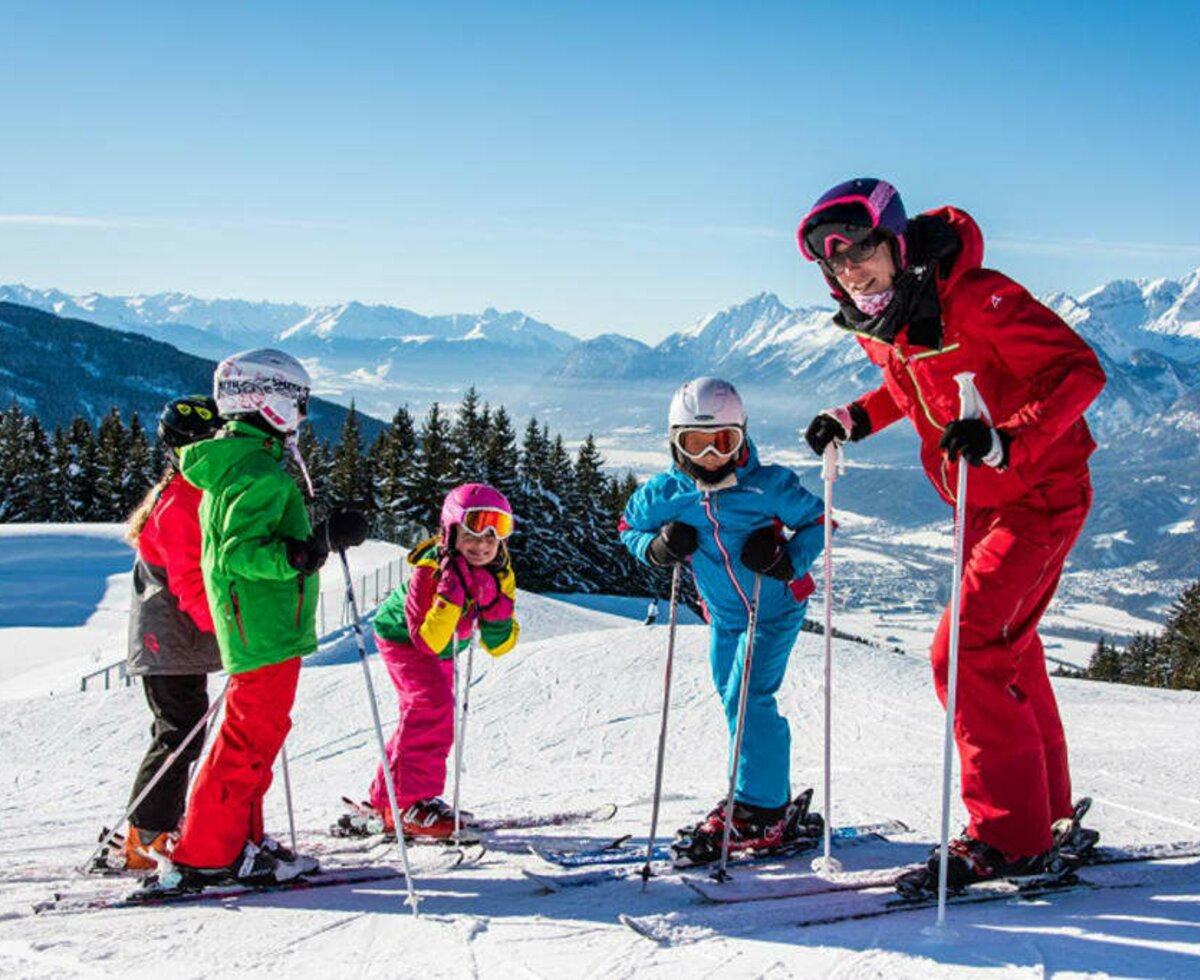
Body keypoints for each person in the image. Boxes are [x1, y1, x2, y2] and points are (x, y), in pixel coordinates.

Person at [796, 177, 1106, 892]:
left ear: (897, 241)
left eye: (860, 246)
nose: (847, 266)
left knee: (962, 652)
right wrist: (855, 419)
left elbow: (1078, 371)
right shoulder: (886, 317)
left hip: (1039, 492)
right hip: (984, 500)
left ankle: (1009, 838)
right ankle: (1047, 816)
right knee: (1006, 647)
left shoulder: (976, 297)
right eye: (830, 257)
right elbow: (910, 387)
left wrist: (1008, 439)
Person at [155, 348, 369, 890]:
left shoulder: (246, 463)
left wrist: (305, 545)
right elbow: (237, 554)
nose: (300, 413)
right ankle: (207, 851)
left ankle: (238, 841)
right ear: (265, 399)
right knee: (247, 739)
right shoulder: (254, 471)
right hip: (263, 627)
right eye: (295, 401)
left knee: (258, 735)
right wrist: (307, 549)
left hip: (265, 623)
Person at [620, 377, 825, 865]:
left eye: (724, 441)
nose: (711, 454)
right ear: (675, 442)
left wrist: (786, 560)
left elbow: (820, 521)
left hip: (774, 608)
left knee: (749, 694)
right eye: (697, 443)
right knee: (735, 700)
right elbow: (629, 526)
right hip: (726, 616)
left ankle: (761, 807)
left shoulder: (769, 485)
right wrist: (657, 548)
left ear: (742, 435)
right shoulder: (666, 493)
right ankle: (758, 793)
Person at [354, 483, 519, 840]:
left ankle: (388, 799)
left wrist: (496, 609)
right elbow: (427, 641)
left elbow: (499, 646)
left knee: (421, 713)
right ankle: (409, 803)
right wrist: (450, 596)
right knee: (431, 707)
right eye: (474, 529)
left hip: (448, 647)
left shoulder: (499, 572)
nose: (484, 543)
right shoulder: (429, 571)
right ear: (451, 529)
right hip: (404, 639)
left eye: (497, 531)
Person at [117, 395, 224, 871]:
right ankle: (146, 836)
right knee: (178, 733)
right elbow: (189, 583)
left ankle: (156, 827)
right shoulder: (182, 501)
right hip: (169, 640)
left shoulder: (186, 494)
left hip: (175, 641)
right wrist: (228, 629)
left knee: (183, 729)